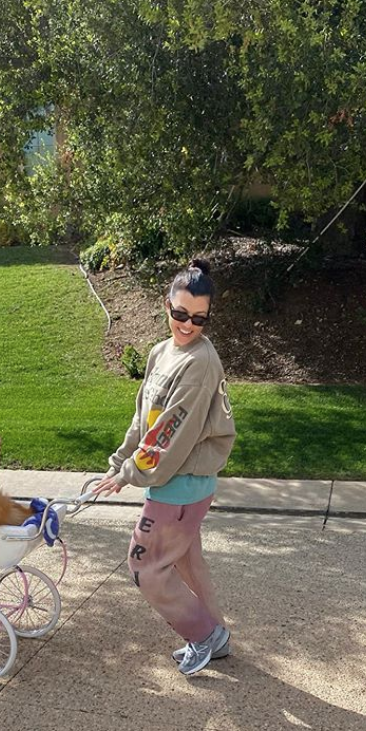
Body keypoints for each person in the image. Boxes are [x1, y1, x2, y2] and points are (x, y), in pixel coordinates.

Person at [93, 258, 236, 676]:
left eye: (198, 318)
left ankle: (204, 636)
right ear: (166, 305)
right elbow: (145, 419)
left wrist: (130, 474)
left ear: (208, 317)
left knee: (145, 568)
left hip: (182, 484)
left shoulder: (200, 363)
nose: (187, 325)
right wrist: (120, 462)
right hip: (175, 480)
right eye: (179, 314)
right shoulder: (161, 352)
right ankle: (217, 637)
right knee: (188, 563)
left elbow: (172, 436)